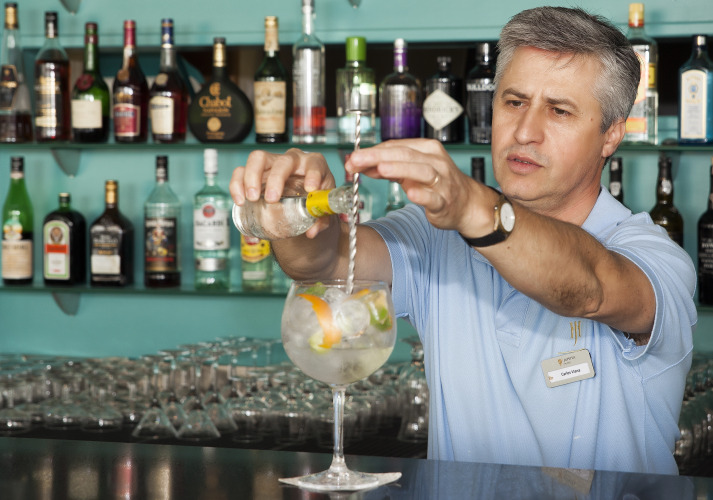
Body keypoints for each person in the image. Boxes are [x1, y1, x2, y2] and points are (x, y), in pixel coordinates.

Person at [230, 7, 696, 475]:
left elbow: (590, 286)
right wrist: (295, 212)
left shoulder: (656, 257)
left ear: (611, 135)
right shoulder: (436, 236)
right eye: (514, 102)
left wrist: (472, 206)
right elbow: (322, 264)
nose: (525, 132)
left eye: (559, 111)